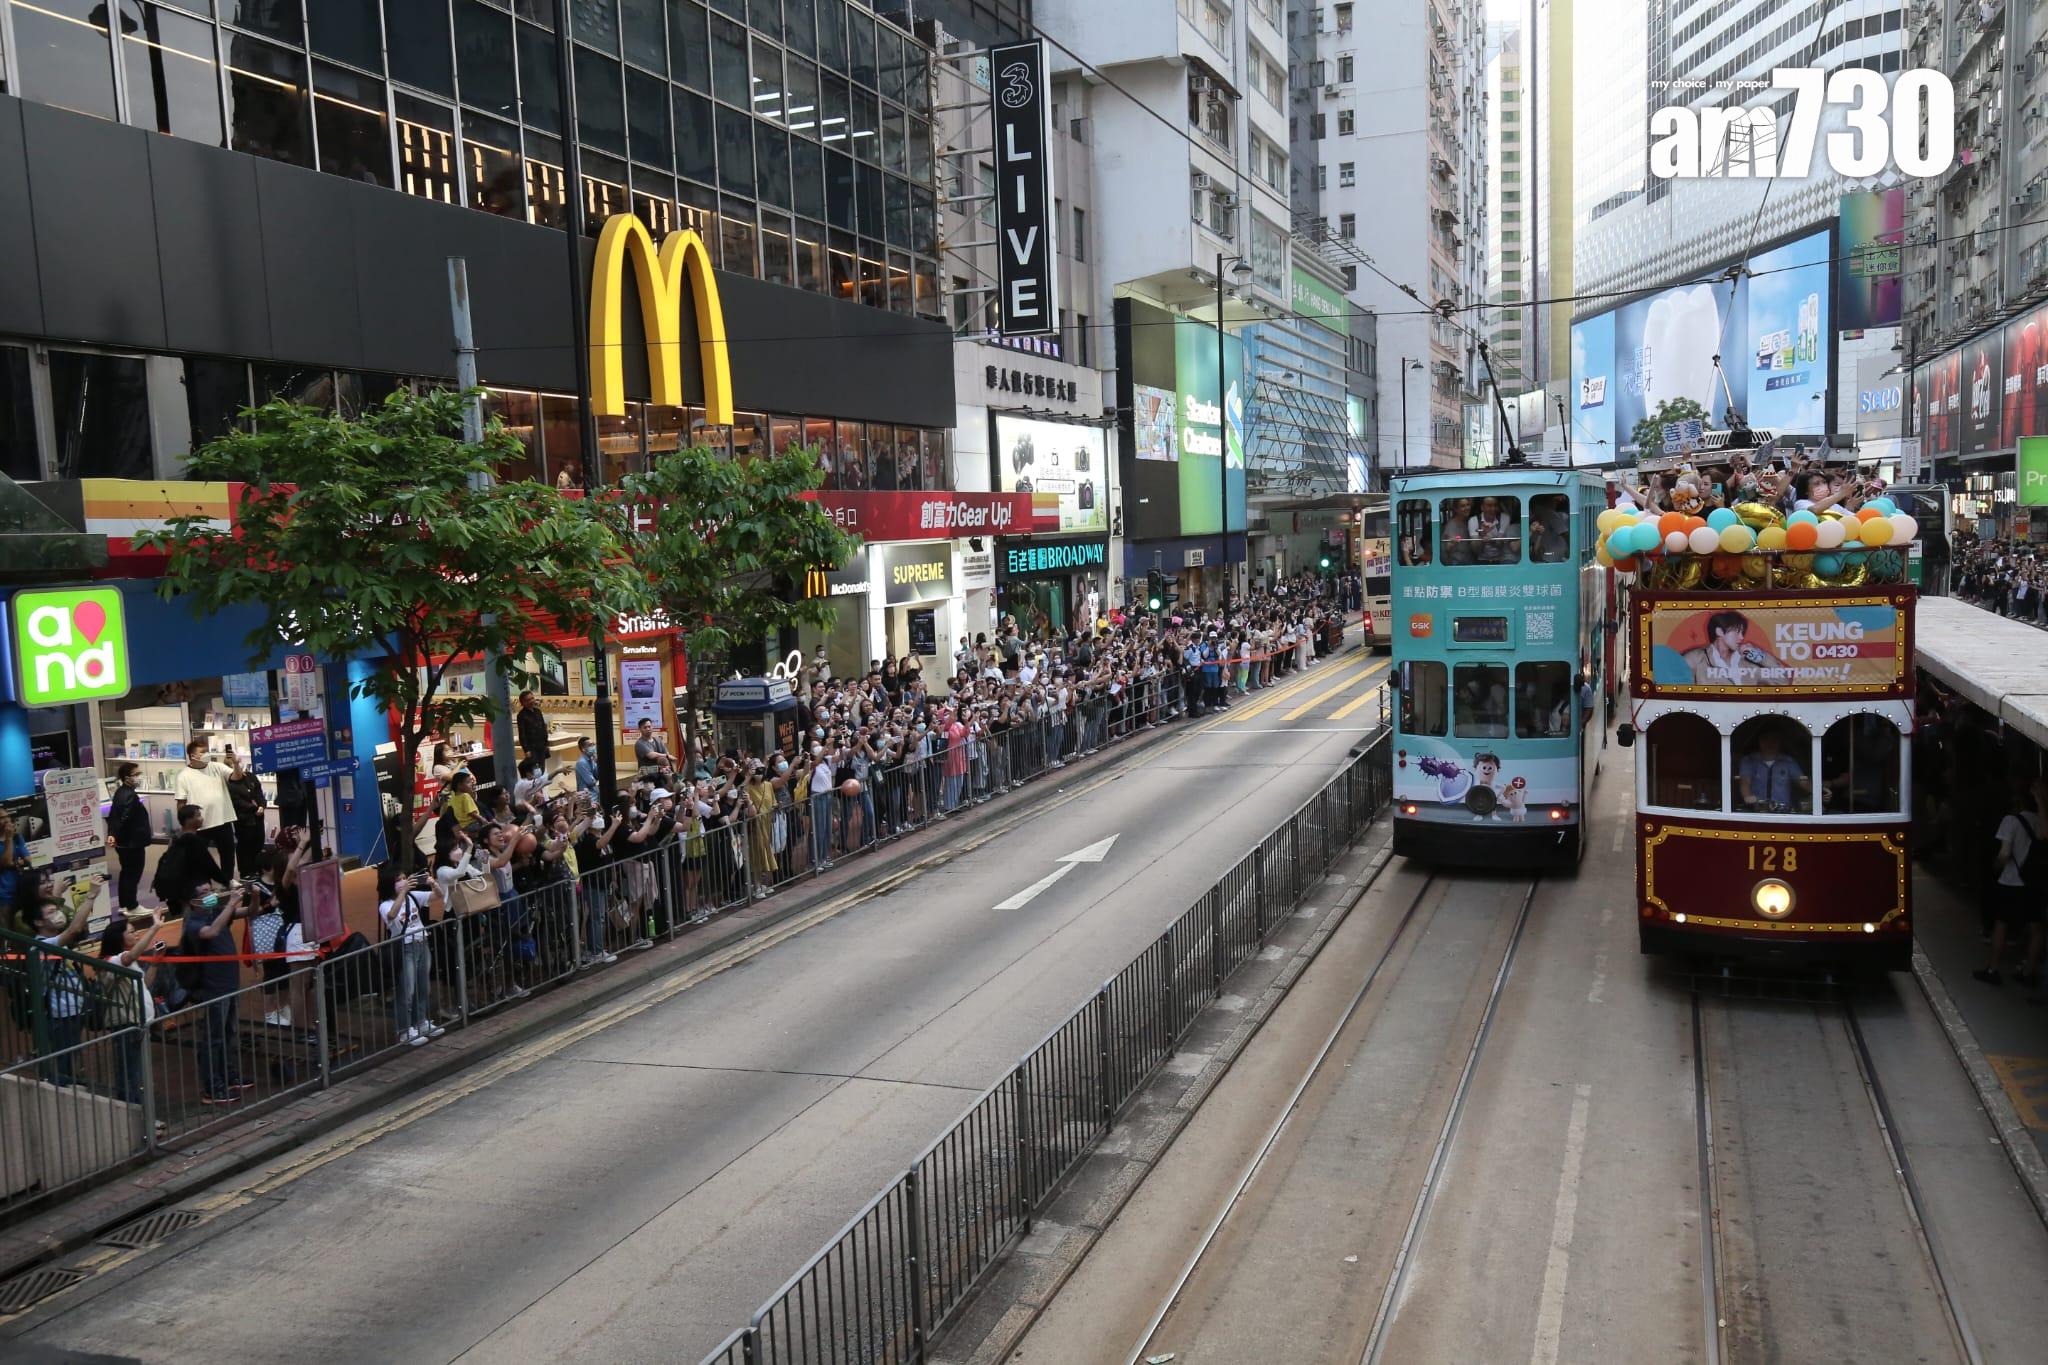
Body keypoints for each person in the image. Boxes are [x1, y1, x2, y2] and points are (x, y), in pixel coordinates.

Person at [182, 881, 256, 1104]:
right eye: (204, 892)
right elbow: (212, 932)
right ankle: (212, 1088)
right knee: (213, 1038)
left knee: (228, 1033)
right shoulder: (193, 923)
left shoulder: (217, 912)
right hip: (213, 988)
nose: (210, 895)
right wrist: (231, 904)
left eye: (210, 890)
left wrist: (254, 896)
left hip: (230, 984)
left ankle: (228, 1075)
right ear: (193, 901)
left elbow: (251, 911)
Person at [1975, 779, 2047, 987]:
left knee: (2001, 924)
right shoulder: (2041, 821)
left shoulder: (2011, 821)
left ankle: (1993, 969)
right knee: (2036, 928)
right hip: (2034, 883)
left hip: (2011, 881)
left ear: (2018, 800)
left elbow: (2004, 854)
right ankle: (2028, 971)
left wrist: (1995, 867)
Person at [377, 862, 445, 1046]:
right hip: (405, 948)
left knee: (423, 987)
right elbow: (391, 916)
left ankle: (421, 1022)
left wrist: (433, 883)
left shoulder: (413, 896)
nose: (403, 882)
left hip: (422, 943)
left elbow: (438, 896)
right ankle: (404, 1030)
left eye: (404, 878)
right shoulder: (385, 905)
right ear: (389, 884)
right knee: (407, 991)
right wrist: (403, 892)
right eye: (398, 880)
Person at [29, 893, 92, 1084]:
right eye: (51, 912)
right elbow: (74, 929)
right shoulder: (41, 945)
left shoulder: (56, 940)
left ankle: (69, 1079)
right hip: (60, 1012)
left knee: (72, 1051)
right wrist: (90, 897)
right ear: (38, 922)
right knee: (63, 1055)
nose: (58, 914)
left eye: (57, 910)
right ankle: (62, 1084)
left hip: (74, 1007)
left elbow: (78, 930)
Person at [174, 735, 242, 880]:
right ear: (193, 756)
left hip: (223, 819)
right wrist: (184, 825)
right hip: (199, 824)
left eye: (207, 751)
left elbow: (237, 777)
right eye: (203, 752)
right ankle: (200, 883)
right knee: (198, 856)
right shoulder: (183, 776)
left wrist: (236, 764)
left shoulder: (216, 766)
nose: (207, 754)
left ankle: (228, 881)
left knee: (228, 854)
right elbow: (181, 802)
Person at [1681, 610, 1787, 687]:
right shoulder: (1696, 659)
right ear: (1719, 631)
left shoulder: (1747, 662)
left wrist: (1759, 656)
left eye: (1742, 632)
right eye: (1737, 631)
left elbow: (1782, 682)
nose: (1741, 637)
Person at [153, 803, 225, 910]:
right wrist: (225, 881)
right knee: (203, 914)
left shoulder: (176, 838)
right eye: (198, 815)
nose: (201, 818)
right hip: (194, 888)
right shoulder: (193, 840)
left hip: (179, 888)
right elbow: (209, 865)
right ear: (188, 820)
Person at [106, 762, 153, 913]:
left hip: (123, 842)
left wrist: (113, 834)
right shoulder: (130, 795)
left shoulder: (120, 792)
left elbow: (114, 815)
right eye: (137, 774)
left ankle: (124, 904)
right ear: (127, 778)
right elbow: (124, 818)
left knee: (126, 873)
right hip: (132, 842)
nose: (140, 777)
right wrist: (116, 834)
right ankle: (132, 906)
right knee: (133, 874)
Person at [1736, 727, 1810, 812]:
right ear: (1759, 741)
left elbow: (1803, 782)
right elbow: (1745, 781)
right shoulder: (1749, 760)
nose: (1770, 742)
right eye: (1765, 739)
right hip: (1756, 811)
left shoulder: (1789, 762)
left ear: (1780, 742)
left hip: (1783, 812)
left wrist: (1818, 792)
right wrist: (1747, 796)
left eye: (1774, 739)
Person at [516, 691, 551, 766]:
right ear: (523, 702)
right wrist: (526, 750)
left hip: (541, 746)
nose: (532, 701)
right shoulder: (521, 715)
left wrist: (546, 743)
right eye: (528, 700)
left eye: (532, 698)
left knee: (542, 768)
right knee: (534, 769)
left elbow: (543, 728)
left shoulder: (538, 711)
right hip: (531, 748)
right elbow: (522, 734)